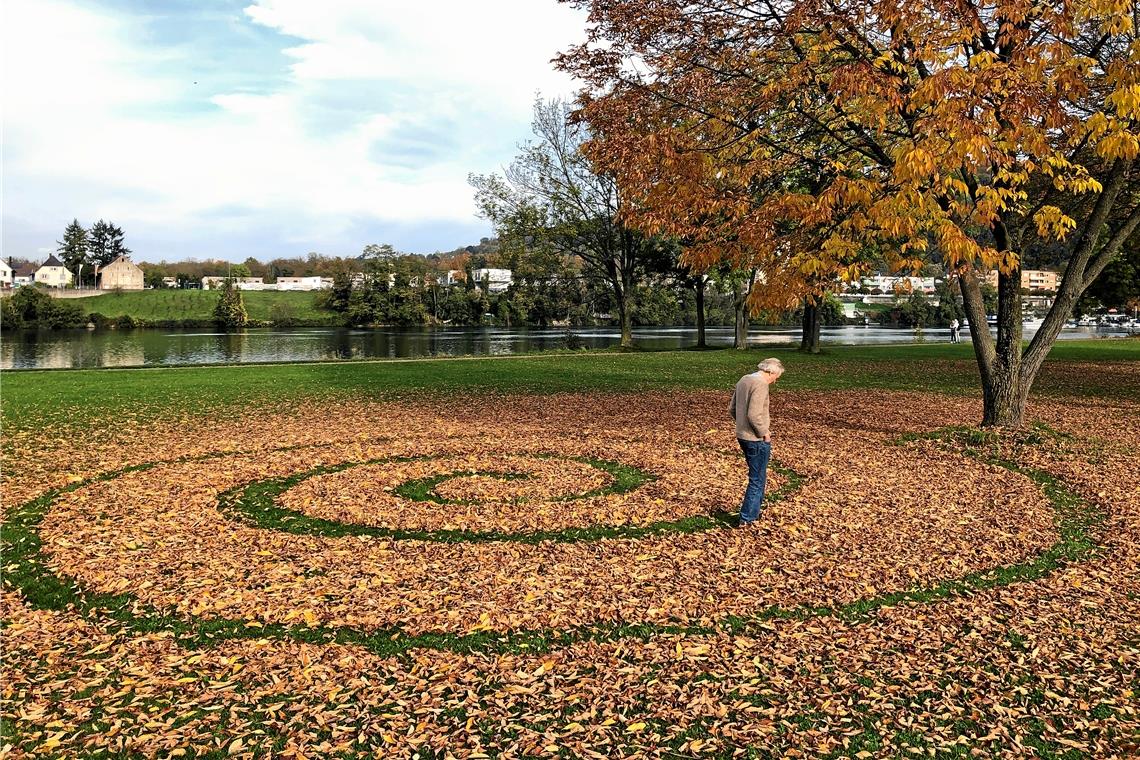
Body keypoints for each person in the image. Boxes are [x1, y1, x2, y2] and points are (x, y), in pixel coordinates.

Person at [728, 357, 784, 527]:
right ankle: (747, 518)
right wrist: (764, 432)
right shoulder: (760, 384)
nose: (775, 382)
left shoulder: (744, 379)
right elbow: (754, 414)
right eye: (776, 377)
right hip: (755, 438)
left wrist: (741, 425)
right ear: (770, 372)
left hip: (742, 435)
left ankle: (754, 513)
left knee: (758, 476)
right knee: (757, 479)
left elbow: (732, 408)